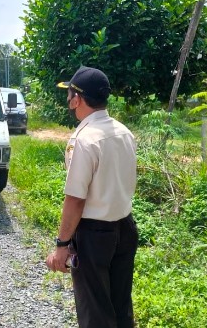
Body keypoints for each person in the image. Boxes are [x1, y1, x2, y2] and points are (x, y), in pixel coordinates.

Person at [45, 66, 138, 328]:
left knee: (95, 312)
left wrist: (61, 245)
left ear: (77, 99)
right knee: (120, 305)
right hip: (125, 227)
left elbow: (75, 198)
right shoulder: (123, 132)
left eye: (69, 94)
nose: (68, 100)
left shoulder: (85, 139)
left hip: (95, 236)